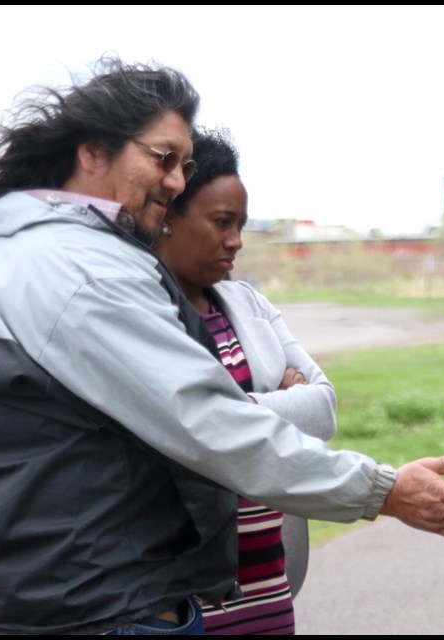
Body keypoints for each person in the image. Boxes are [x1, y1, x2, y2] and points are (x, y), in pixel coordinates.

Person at [0, 55, 444, 636]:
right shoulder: (82, 271)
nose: (176, 181)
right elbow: (207, 421)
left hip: (69, 598)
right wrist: (384, 490)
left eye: (185, 163)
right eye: (163, 158)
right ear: (93, 151)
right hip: (108, 610)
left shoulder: (26, 255)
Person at [155, 127, 331, 634]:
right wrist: (277, 401)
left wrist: (230, 410)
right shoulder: (143, 316)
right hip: (186, 593)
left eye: (241, 225)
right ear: (168, 218)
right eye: (220, 222)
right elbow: (176, 428)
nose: (235, 241)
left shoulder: (247, 304)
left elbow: (323, 407)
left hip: (267, 580)